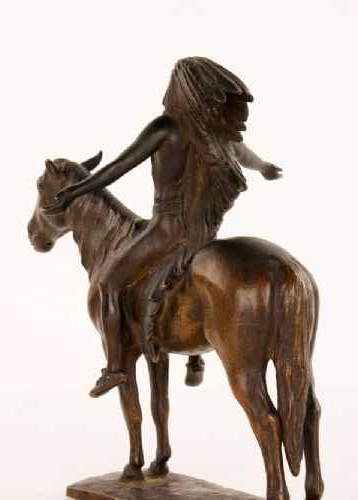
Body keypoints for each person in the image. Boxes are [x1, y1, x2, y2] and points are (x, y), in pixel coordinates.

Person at [43, 57, 282, 397]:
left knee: (109, 284)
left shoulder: (165, 128)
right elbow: (243, 153)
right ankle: (196, 358)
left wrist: (75, 191)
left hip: (165, 230)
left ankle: (114, 368)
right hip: (202, 232)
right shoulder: (210, 132)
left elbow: (119, 167)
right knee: (195, 281)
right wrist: (265, 167)